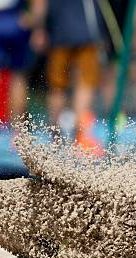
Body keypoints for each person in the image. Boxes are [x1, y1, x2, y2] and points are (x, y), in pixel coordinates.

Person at [33, 0, 103, 155]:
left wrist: (39, 29)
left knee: (57, 87)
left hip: (59, 31)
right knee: (85, 84)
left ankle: (55, 136)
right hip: (87, 30)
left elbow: (40, 5)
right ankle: (79, 137)